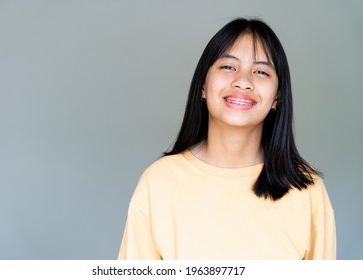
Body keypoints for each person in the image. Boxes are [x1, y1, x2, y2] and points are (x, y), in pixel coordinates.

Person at [118, 18, 336, 260]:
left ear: (277, 97)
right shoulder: (158, 182)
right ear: (203, 85)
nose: (243, 81)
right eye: (228, 67)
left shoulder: (307, 190)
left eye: (261, 71)